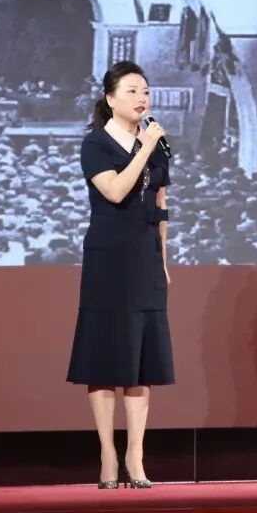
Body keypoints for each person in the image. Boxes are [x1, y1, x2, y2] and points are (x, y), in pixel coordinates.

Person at [67, 61, 174, 489]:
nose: (141, 98)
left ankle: (136, 454)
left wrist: (163, 258)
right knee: (104, 356)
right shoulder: (96, 143)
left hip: (145, 258)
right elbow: (114, 191)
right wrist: (144, 148)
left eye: (145, 91)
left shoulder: (158, 144)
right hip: (108, 258)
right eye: (132, 91)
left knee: (141, 358)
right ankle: (108, 453)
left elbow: (160, 204)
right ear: (110, 98)